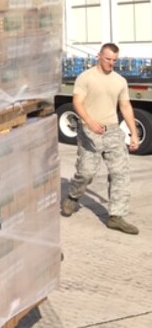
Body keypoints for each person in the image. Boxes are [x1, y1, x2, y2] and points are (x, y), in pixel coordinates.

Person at [61, 43, 140, 234]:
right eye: (108, 59)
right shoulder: (85, 77)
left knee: (120, 172)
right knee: (86, 172)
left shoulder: (120, 81)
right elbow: (77, 102)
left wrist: (134, 134)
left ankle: (116, 216)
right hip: (89, 131)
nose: (111, 63)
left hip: (112, 131)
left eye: (114, 60)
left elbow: (125, 106)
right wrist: (89, 122)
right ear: (99, 56)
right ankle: (73, 196)